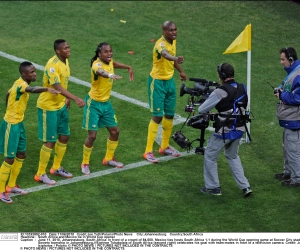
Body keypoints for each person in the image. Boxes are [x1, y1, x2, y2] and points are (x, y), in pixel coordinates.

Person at [0, 61, 60, 204]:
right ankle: (1, 190)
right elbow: (32, 90)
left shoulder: (19, 83)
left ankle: (11, 186)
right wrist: (46, 89)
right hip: (11, 125)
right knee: (9, 158)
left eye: (34, 71)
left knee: (22, 154)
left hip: (19, 123)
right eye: (31, 72)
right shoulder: (22, 85)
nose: (34, 74)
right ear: (23, 74)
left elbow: (8, 94)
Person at [34, 39, 85, 185]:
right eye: (65, 48)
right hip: (48, 107)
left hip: (60, 105)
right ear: (58, 51)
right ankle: (40, 174)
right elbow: (57, 86)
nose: (68, 50)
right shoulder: (52, 65)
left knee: (64, 136)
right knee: (49, 141)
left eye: (68, 47)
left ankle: (56, 167)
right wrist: (74, 98)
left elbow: (63, 84)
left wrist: (66, 99)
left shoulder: (65, 61)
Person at [198, 63, 252, 197]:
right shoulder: (242, 87)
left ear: (222, 75)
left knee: (210, 156)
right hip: (239, 129)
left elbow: (201, 109)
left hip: (224, 130)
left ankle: (213, 187)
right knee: (232, 156)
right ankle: (245, 186)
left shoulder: (220, 91)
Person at [80, 42, 134, 175]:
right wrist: (110, 75)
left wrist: (128, 67)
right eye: (106, 52)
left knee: (115, 131)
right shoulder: (96, 64)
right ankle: (85, 162)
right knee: (92, 136)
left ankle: (108, 159)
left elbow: (113, 64)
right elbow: (101, 72)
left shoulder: (109, 61)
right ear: (99, 54)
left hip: (106, 104)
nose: (109, 53)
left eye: (110, 51)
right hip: (93, 104)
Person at [143, 20, 187, 163]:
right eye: (171, 30)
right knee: (157, 116)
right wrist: (176, 58)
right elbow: (166, 55)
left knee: (169, 115)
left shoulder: (173, 41)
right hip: (157, 83)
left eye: (175, 29)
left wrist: (181, 71)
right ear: (164, 32)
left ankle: (164, 147)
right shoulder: (160, 44)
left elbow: (171, 59)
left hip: (169, 82)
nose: (174, 32)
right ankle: (148, 151)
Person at [274, 47, 300, 186]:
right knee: (287, 147)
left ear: (291, 60)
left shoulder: (298, 74)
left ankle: (297, 178)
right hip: (290, 119)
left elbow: (297, 98)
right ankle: (288, 172)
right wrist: (280, 90)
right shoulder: (293, 72)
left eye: (283, 59)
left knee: (293, 150)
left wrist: (281, 95)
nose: (281, 62)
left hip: (295, 119)